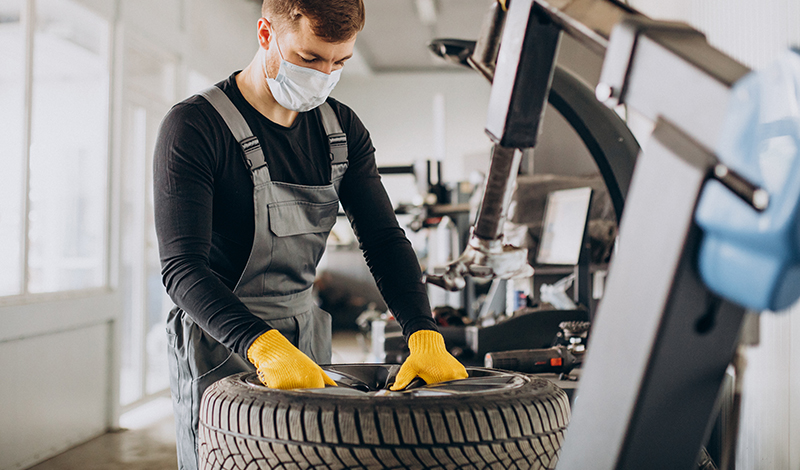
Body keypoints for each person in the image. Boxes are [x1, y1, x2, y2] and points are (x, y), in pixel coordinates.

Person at [153, 1, 468, 468]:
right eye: (309, 59)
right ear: (266, 34)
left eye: (339, 62)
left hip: (307, 336)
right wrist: (264, 345)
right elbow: (181, 269)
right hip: (220, 344)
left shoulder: (342, 131)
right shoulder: (196, 127)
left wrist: (423, 331)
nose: (324, 75)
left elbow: (383, 238)